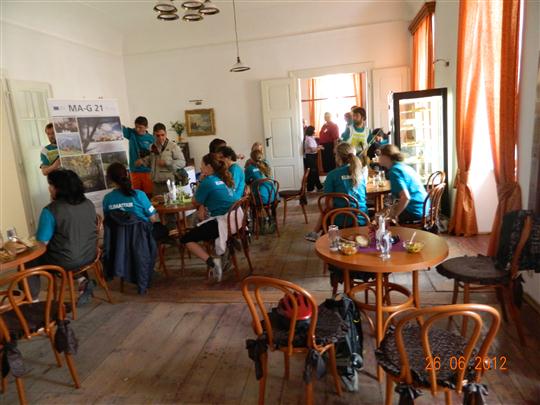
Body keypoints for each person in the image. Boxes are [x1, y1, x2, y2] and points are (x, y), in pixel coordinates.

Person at [31, 170, 97, 299]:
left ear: (59, 188)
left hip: (67, 260)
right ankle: (82, 280)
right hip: (90, 254)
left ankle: (32, 300)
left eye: (51, 185)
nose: (49, 188)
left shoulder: (51, 210)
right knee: (69, 248)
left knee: (29, 260)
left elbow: (41, 242)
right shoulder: (88, 203)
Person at [180, 153, 238, 281]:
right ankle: (227, 248)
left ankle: (213, 263)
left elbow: (195, 201)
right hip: (236, 220)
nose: (200, 167)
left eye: (202, 164)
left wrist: (200, 182)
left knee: (186, 239)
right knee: (202, 221)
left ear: (209, 167)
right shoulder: (222, 178)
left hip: (224, 223)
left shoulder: (208, 181)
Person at [305, 143, 368, 241]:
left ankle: (318, 235)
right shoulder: (360, 173)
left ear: (338, 157)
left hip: (341, 219)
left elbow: (329, 204)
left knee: (327, 210)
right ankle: (318, 234)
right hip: (362, 218)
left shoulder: (332, 175)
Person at [378, 144, 428, 223]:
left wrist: (393, 216)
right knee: (385, 213)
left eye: (380, 155)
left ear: (387, 157)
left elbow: (406, 197)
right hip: (424, 208)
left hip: (414, 211)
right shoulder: (404, 166)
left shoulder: (394, 171)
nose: (379, 157)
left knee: (380, 220)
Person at [144, 123, 186, 195]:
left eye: (162, 135)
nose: (160, 138)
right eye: (157, 135)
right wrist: (143, 161)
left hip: (169, 183)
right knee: (157, 202)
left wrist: (166, 162)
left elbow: (182, 162)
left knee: (171, 202)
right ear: (153, 135)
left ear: (166, 134)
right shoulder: (151, 147)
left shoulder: (173, 146)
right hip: (155, 184)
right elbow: (151, 162)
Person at [123, 116, 155, 197]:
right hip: (134, 171)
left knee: (149, 195)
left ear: (146, 127)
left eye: (140, 127)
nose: (137, 129)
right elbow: (120, 128)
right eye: (136, 127)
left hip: (147, 171)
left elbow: (155, 155)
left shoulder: (152, 139)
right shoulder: (131, 133)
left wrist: (144, 160)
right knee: (136, 195)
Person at [303, 126, 323, 192]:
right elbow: (312, 149)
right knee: (312, 173)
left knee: (314, 172)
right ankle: (311, 188)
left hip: (312, 157)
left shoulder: (311, 138)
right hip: (310, 157)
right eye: (314, 130)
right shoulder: (308, 139)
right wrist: (319, 148)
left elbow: (313, 147)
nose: (315, 131)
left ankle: (318, 186)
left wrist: (318, 146)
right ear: (311, 131)